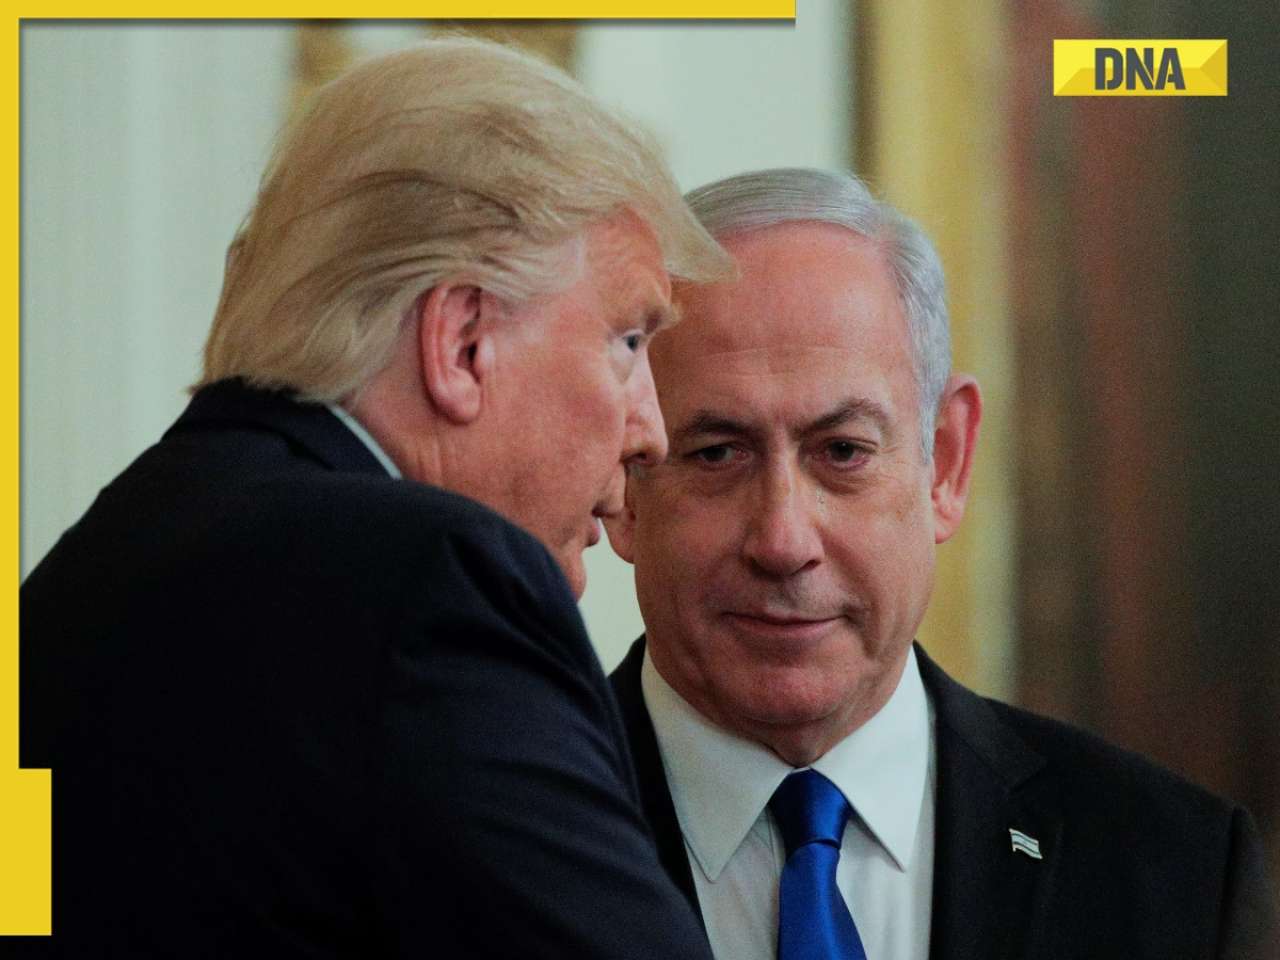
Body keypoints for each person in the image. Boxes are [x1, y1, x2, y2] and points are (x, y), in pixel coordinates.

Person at [18, 39, 732, 957]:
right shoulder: (432, 588)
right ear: (462, 343)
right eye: (627, 342)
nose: (651, 432)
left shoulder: (76, 581)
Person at [605, 167, 1280, 959]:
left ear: (947, 464)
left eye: (843, 452)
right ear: (624, 479)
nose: (783, 541)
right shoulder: (490, 836)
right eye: (717, 453)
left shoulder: (1176, 870)